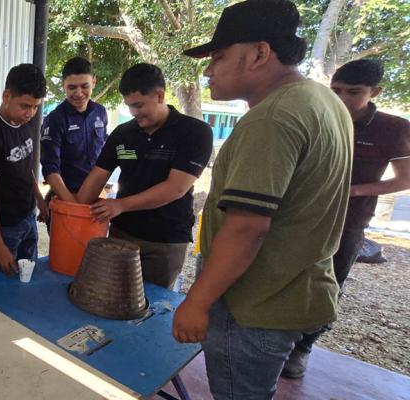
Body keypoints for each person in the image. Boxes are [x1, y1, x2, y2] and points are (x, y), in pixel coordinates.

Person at [172, 0, 353, 398]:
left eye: (218, 56)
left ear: (259, 53)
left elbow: (247, 227)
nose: (207, 70)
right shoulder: (325, 102)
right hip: (293, 291)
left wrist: (198, 301)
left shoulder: (272, 118)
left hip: (253, 305)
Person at [283, 59, 410, 378]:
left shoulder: (392, 128)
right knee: (286, 275)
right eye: (335, 90)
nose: (341, 99)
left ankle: (303, 348)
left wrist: (352, 191)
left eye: (353, 92)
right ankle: (276, 338)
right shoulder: (317, 116)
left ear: (375, 92)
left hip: (348, 222)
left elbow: (404, 179)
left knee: (328, 284)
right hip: (300, 215)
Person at [75, 63, 213, 290]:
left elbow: (176, 187)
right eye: (129, 106)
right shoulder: (123, 133)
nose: (134, 113)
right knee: (109, 296)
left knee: (149, 308)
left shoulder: (195, 132)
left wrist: (120, 204)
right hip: (122, 234)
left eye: (139, 105)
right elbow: (98, 174)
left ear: (160, 95)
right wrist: (76, 209)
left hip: (165, 241)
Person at [0, 64, 48, 275]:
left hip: (28, 217)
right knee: (4, 288)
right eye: (25, 106)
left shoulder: (25, 122)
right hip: (5, 228)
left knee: (28, 276)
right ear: (7, 96)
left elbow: (25, 166)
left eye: (35, 107)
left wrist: (39, 198)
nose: (30, 113)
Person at [40, 57, 108, 210]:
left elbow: (104, 151)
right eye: (72, 88)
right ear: (63, 85)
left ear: (94, 83)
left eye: (85, 86)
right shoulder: (55, 119)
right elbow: (50, 167)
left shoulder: (100, 112)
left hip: (96, 198)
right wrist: (72, 204)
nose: (78, 93)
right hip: (66, 197)